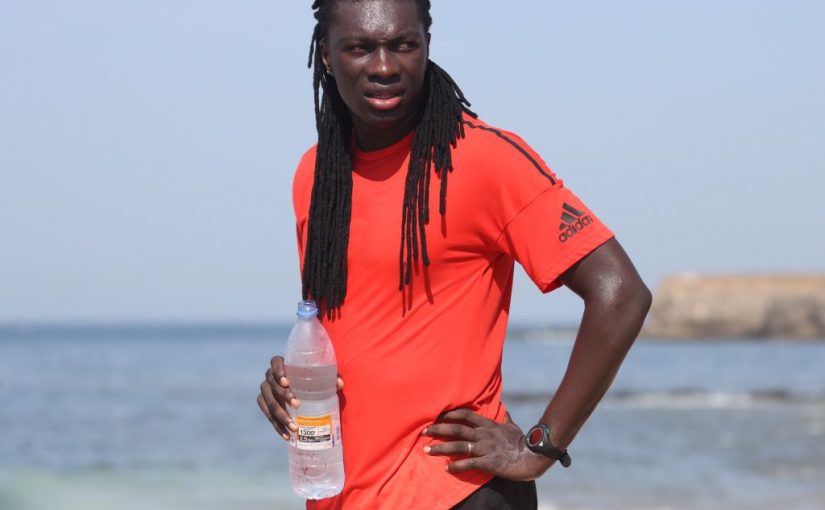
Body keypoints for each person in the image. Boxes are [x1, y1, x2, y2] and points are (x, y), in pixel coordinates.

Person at [257, 1, 652, 508]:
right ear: (328, 57)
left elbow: (620, 292)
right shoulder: (317, 176)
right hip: (344, 494)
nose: (384, 66)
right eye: (359, 48)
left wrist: (541, 445)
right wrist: (292, 380)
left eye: (403, 44)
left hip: (457, 490)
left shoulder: (485, 160)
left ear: (427, 43)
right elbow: (347, 324)